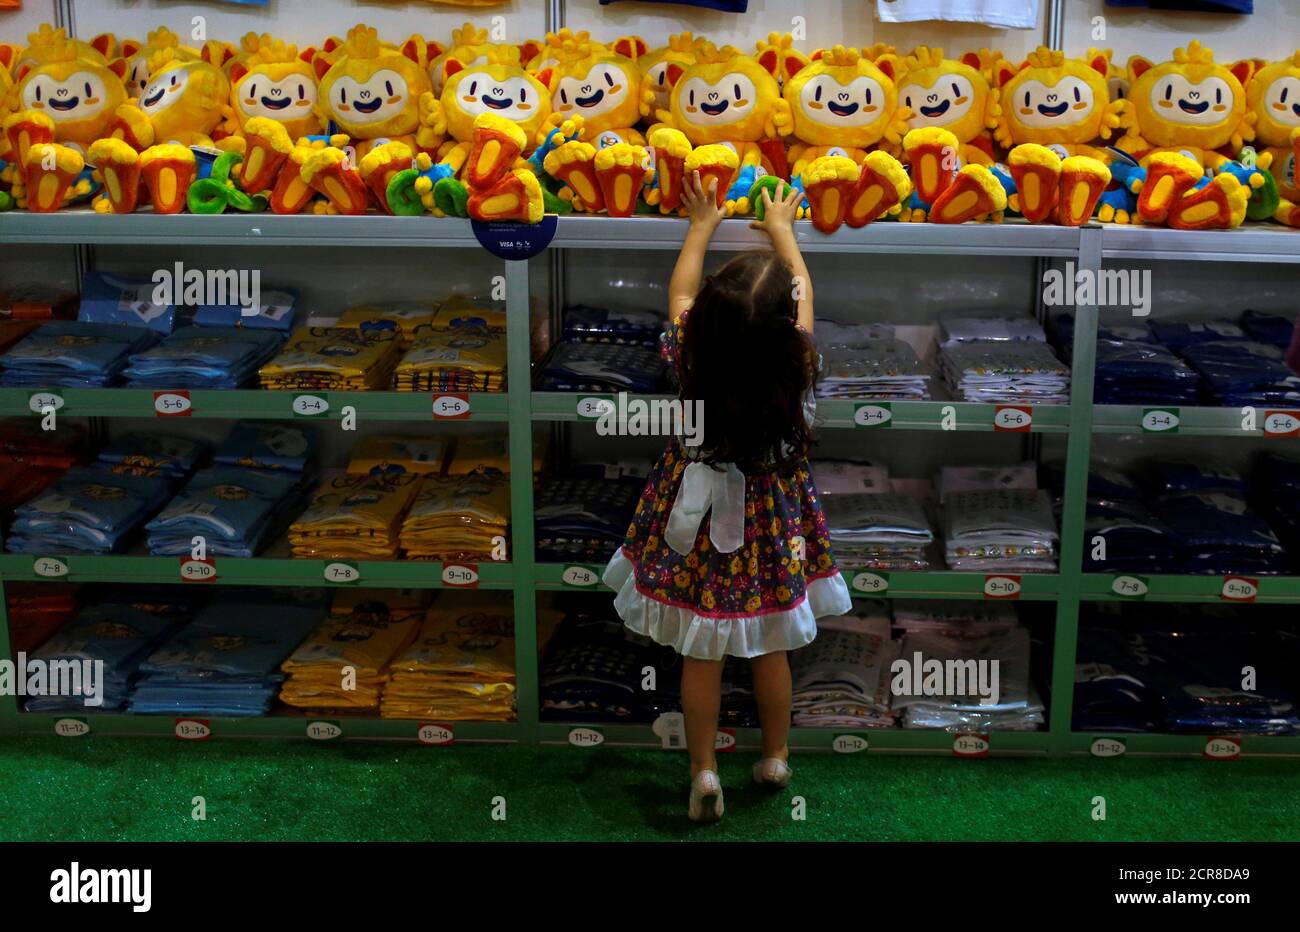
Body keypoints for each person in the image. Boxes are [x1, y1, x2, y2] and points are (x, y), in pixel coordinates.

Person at [602, 172, 852, 822]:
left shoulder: (691, 355)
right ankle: (774, 757)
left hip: (698, 527)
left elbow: (681, 290)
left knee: (701, 653)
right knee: (771, 647)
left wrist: (701, 225)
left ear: (705, 321)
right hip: (771, 534)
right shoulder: (796, 362)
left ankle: (704, 770)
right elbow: (804, 298)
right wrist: (784, 232)